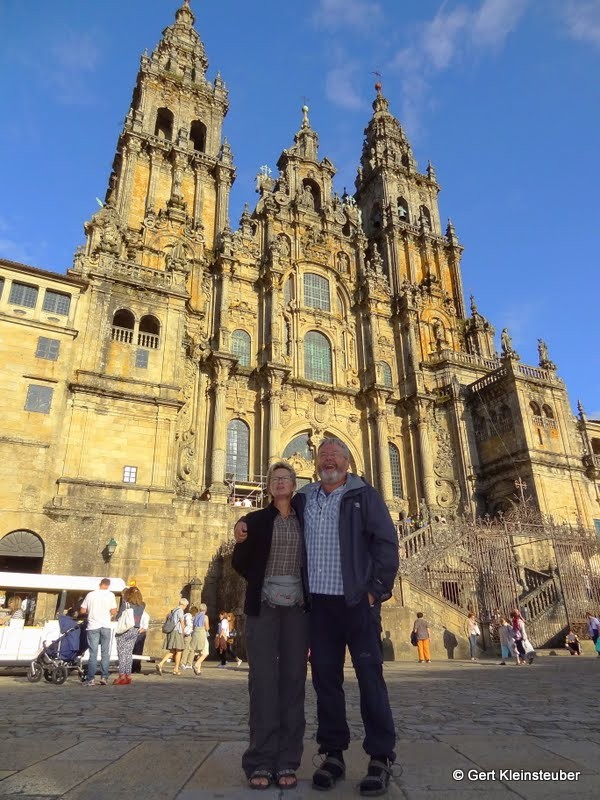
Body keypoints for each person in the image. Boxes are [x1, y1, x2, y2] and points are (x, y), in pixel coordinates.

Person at [235, 437, 399, 796]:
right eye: (322, 455)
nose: (328, 460)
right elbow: (273, 508)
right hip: (319, 607)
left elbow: (386, 543)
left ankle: (380, 757)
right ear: (315, 463)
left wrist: (376, 590)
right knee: (326, 683)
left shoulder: (364, 496)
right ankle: (334, 754)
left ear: (347, 461)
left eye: (334, 455)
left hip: (357, 603)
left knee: (370, 679)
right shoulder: (305, 499)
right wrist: (243, 523)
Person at [232, 460, 309, 790]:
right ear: (268, 486)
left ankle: (287, 760)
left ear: (295, 484)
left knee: (293, 682)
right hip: (263, 607)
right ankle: (260, 760)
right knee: (262, 682)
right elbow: (241, 562)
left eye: (285, 478)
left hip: (298, 610)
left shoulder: (308, 517)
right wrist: (261, 580)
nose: (280, 483)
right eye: (274, 478)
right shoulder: (254, 520)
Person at [80, 578, 117, 686]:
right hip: (105, 626)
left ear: (100, 584)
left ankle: (91, 679)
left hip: (93, 626)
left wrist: (91, 611)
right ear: (108, 585)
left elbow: (82, 610)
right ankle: (104, 677)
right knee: (105, 653)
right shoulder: (110, 595)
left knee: (93, 653)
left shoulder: (90, 595)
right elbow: (114, 611)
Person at [114, 586, 147, 684]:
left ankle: (122, 675)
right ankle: (128, 675)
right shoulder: (142, 605)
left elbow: (119, 615)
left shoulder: (126, 603)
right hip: (135, 629)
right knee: (128, 653)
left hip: (125, 629)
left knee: (121, 652)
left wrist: (115, 617)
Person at [156, 597, 188, 675]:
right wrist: (184, 632)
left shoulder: (173, 610)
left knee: (173, 651)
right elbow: (182, 622)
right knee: (179, 650)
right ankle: (172, 668)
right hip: (177, 632)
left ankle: (173, 668)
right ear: (183, 604)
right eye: (186, 605)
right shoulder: (180, 610)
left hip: (172, 631)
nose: (186, 607)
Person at [189, 603, 210, 675]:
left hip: (195, 635)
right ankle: (196, 665)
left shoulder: (195, 616)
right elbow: (207, 628)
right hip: (202, 634)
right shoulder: (205, 617)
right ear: (205, 609)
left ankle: (198, 670)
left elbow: (193, 627)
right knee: (205, 652)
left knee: (199, 652)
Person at [180, 604, 196, 670]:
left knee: (192, 649)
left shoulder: (190, 616)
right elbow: (189, 625)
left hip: (191, 634)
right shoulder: (188, 616)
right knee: (186, 648)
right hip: (188, 634)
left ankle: (189, 663)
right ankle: (183, 663)